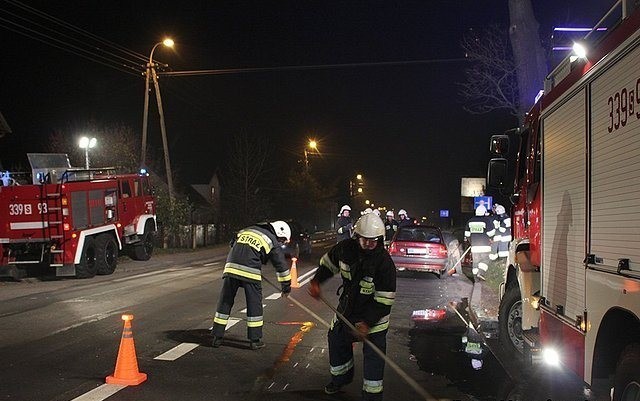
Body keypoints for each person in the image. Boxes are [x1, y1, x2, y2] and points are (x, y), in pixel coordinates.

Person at [309, 213, 396, 401]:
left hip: (375, 318)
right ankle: (340, 379)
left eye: (373, 241)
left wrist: (367, 323)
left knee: (374, 358)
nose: (369, 244)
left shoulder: (384, 263)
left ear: (379, 239)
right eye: (365, 240)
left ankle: (372, 396)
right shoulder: (344, 249)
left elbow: (384, 300)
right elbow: (328, 265)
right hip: (348, 309)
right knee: (336, 338)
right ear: (357, 236)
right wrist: (317, 282)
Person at [211, 220, 292, 350]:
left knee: (225, 301)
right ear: (278, 233)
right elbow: (281, 266)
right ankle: (255, 340)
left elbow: (232, 242)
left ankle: (216, 337)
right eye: (282, 240)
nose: (281, 242)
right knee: (254, 304)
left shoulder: (247, 229)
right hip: (250, 271)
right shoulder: (271, 239)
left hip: (230, 268)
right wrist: (286, 288)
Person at [464, 205, 495, 280]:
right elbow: (491, 233)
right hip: (485, 246)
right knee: (485, 259)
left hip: (474, 246)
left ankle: (475, 279)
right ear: (484, 212)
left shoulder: (470, 221)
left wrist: (471, 242)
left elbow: (467, 235)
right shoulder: (486, 220)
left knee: (475, 262)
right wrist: (491, 239)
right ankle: (481, 273)